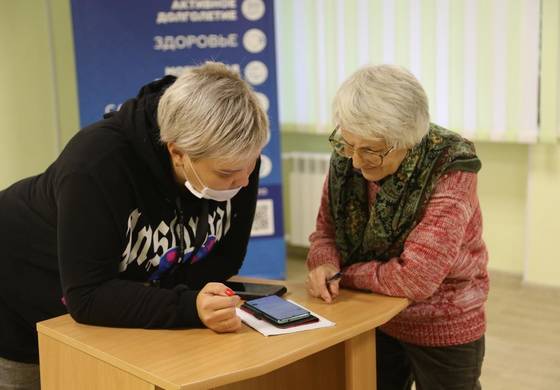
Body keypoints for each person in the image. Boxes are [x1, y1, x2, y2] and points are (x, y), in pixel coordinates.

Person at [0, 61, 268, 389]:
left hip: (96, 300)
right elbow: (87, 295)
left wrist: (175, 297)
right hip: (19, 286)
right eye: (227, 174)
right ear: (178, 153)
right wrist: (186, 305)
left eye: (251, 165)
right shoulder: (95, 163)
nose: (243, 181)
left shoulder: (234, 155)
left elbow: (226, 257)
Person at [306, 64, 488, 390]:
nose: (357, 162)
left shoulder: (450, 167)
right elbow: (326, 232)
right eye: (349, 145)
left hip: (443, 322)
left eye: (372, 151)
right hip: (370, 315)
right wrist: (324, 262)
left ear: (409, 140)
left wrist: (345, 273)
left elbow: (416, 278)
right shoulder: (347, 155)